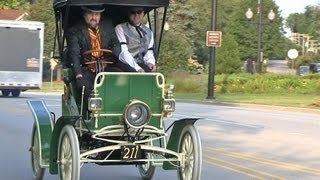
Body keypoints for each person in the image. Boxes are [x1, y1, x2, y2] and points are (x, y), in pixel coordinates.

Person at [66, 5, 121, 102]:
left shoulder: (107, 26)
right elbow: (74, 53)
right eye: (90, 13)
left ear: (100, 16)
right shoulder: (75, 30)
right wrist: (78, 75)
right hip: (86, 67)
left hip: (105, 65)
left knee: (121, 76)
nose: (94, 17)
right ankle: (93, 110)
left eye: (97, 14)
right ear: (84, 15)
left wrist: (109, 59)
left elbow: (116, 44)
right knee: (84, 84)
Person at [114, 6, 156, 72]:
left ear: (143, 13)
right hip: (124, 62)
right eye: (133, 12)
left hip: (140, 62)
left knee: (149, 70)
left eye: (139, 12)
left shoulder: (149, 32)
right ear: (128, 13)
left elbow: (149, 51)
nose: (136, 15)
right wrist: (137, 68)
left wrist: (150, 62)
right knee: (133, 71)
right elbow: (123, 52)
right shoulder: (120, 28)